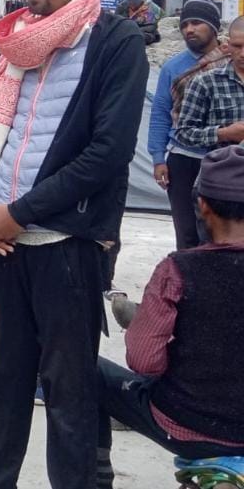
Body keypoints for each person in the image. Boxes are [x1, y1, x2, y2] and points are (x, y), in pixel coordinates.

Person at [0, 0, 147, 489]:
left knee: (70, 387)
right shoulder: (18, 41)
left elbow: (107, 153)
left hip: (69, 242)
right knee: (6, 378)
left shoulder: (115, 43)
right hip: (5, 243)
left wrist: (19, 213)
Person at [95, 144, 244, 487]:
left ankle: (95, 479)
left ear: (203, 205)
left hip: (187, 423)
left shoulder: (178, 270)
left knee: (84, 372)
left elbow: (145, 362)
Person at [148, 0, 229, 250]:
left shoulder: (232, 60)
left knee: (222, 233)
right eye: (185, 25)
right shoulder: (174, 67)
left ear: (214, 27)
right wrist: (158, 158)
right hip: (183, 158)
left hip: (225, 157)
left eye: (196, 23)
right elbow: (161, 112)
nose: (189, 29)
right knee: (186, 234)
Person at [172, 15, 244, 172]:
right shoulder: (205, 82)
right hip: (222, 179)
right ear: (228, 45)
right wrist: (224, 133)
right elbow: (184, 133)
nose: (243, 53)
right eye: (238, 46)